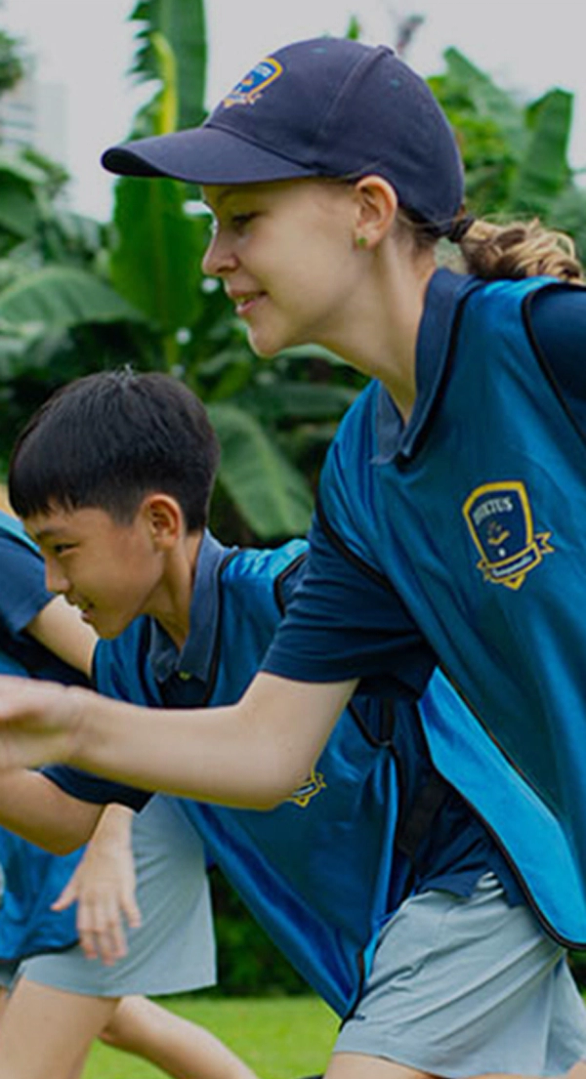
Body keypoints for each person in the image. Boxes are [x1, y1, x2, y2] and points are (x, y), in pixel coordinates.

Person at [1, 368, 586, 1079]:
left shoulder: (299, 597)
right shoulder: (133, 664)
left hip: (475, 877)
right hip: (397, 925)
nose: (55, 584)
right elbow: (65, 814)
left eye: (64, 549)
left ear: (159, 522)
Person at [0, 508, 258, 1079]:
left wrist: (110, 840)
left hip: (113, 817)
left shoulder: (5, 558)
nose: (55, 573)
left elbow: (123, 677)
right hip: (42, 840)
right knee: (116, 1020)